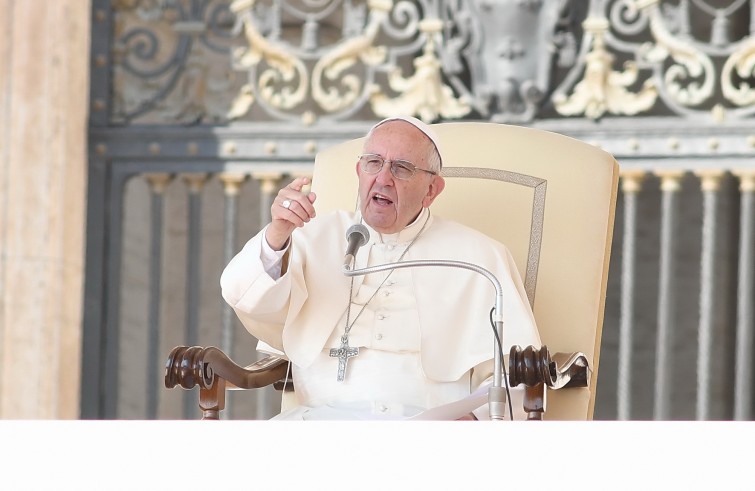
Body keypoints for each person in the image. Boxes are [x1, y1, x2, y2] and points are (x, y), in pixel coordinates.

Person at [220, 116, 541, 420]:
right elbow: (247, 300)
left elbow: (517, 370)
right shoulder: (312, 235)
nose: (383, 178)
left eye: (402, 168)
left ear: (431, 190)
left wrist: (475, 419)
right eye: (374, 163)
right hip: (317, 426)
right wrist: (277, 232)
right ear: (359, 171)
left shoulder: (479, 256)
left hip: (428, 432)